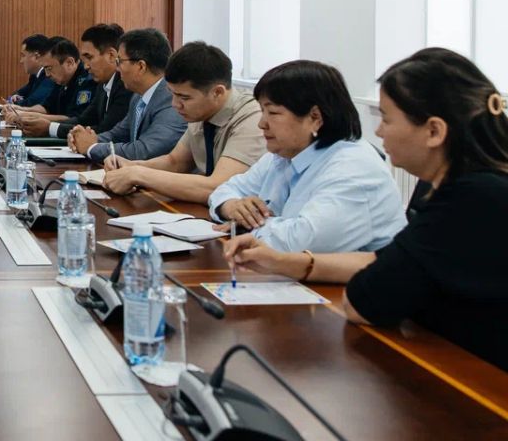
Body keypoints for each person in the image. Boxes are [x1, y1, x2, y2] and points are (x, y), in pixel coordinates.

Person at [223, 49, 508, 371]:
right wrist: (285, 262)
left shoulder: (469, 198)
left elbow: (363, 301)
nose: (379, 131)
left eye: (386, 118)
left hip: (477, 380)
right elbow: (384, 259)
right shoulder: (474, 185)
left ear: (434, 131)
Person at [207, 59, 405, 253]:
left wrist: (247, 226)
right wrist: (231, 207)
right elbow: (227, 189)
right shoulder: (285, 154)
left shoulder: (354, 168)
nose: (262, 123)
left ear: (315, 117)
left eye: (273, 113)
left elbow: (301, 242)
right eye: (262, 111)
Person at [98, 42, 265, 203]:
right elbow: (175, 162)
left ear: (217, 92)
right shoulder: (201, 111)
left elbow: (218, 187)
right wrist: (130, 166)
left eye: (184, 97)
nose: (175, 104)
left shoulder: (252, 118)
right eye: (172, 94)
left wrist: (138, 174)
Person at [71, 28, 187, 164]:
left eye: (120, 61)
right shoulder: (138, 97)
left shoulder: (171, 99)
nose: (117, 68)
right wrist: (85, 139)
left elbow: (144, 151)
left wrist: (92, 148)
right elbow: (118, 134)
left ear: (141, 66)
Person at [13, 24, 130, 139]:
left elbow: (106, 131)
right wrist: (43, 123)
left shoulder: (125, 85)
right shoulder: (103, 84)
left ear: (111, 55)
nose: (86, 66)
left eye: (89, 57)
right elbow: (83, 120)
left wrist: (50, 128)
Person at [5, 38, 94, 135]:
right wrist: (20, 110)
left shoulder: (87, 80)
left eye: (49, 68)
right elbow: (47, 107)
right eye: (45, 69)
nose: (47, 75)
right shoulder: (62, 79)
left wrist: (27, 115)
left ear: (69, 63)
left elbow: (74, 119)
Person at [8, 34, 55, 107]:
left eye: (23, 55)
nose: (21, 61)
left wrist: (15, 102)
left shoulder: (49, 75)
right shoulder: (35, 75)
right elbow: (20, 93)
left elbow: (32, 103)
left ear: (36, 57)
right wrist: (15, 97)